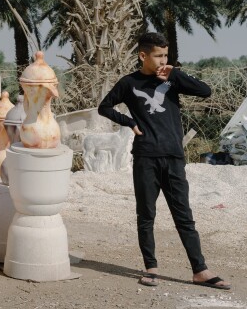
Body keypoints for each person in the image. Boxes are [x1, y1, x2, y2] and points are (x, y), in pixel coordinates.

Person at [97, 32, 231, 290]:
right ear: (143, 55)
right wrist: (129, 122)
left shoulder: (171, 79)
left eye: (166, 55)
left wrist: (175, 74)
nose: (163, 61)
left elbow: (205, 91)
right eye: (158, 56)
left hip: (173, 157)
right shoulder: (129, 83)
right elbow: (105, 107)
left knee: (184, 216)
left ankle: (200, 270)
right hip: (146, 156)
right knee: (146, 215)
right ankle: (151, 268)